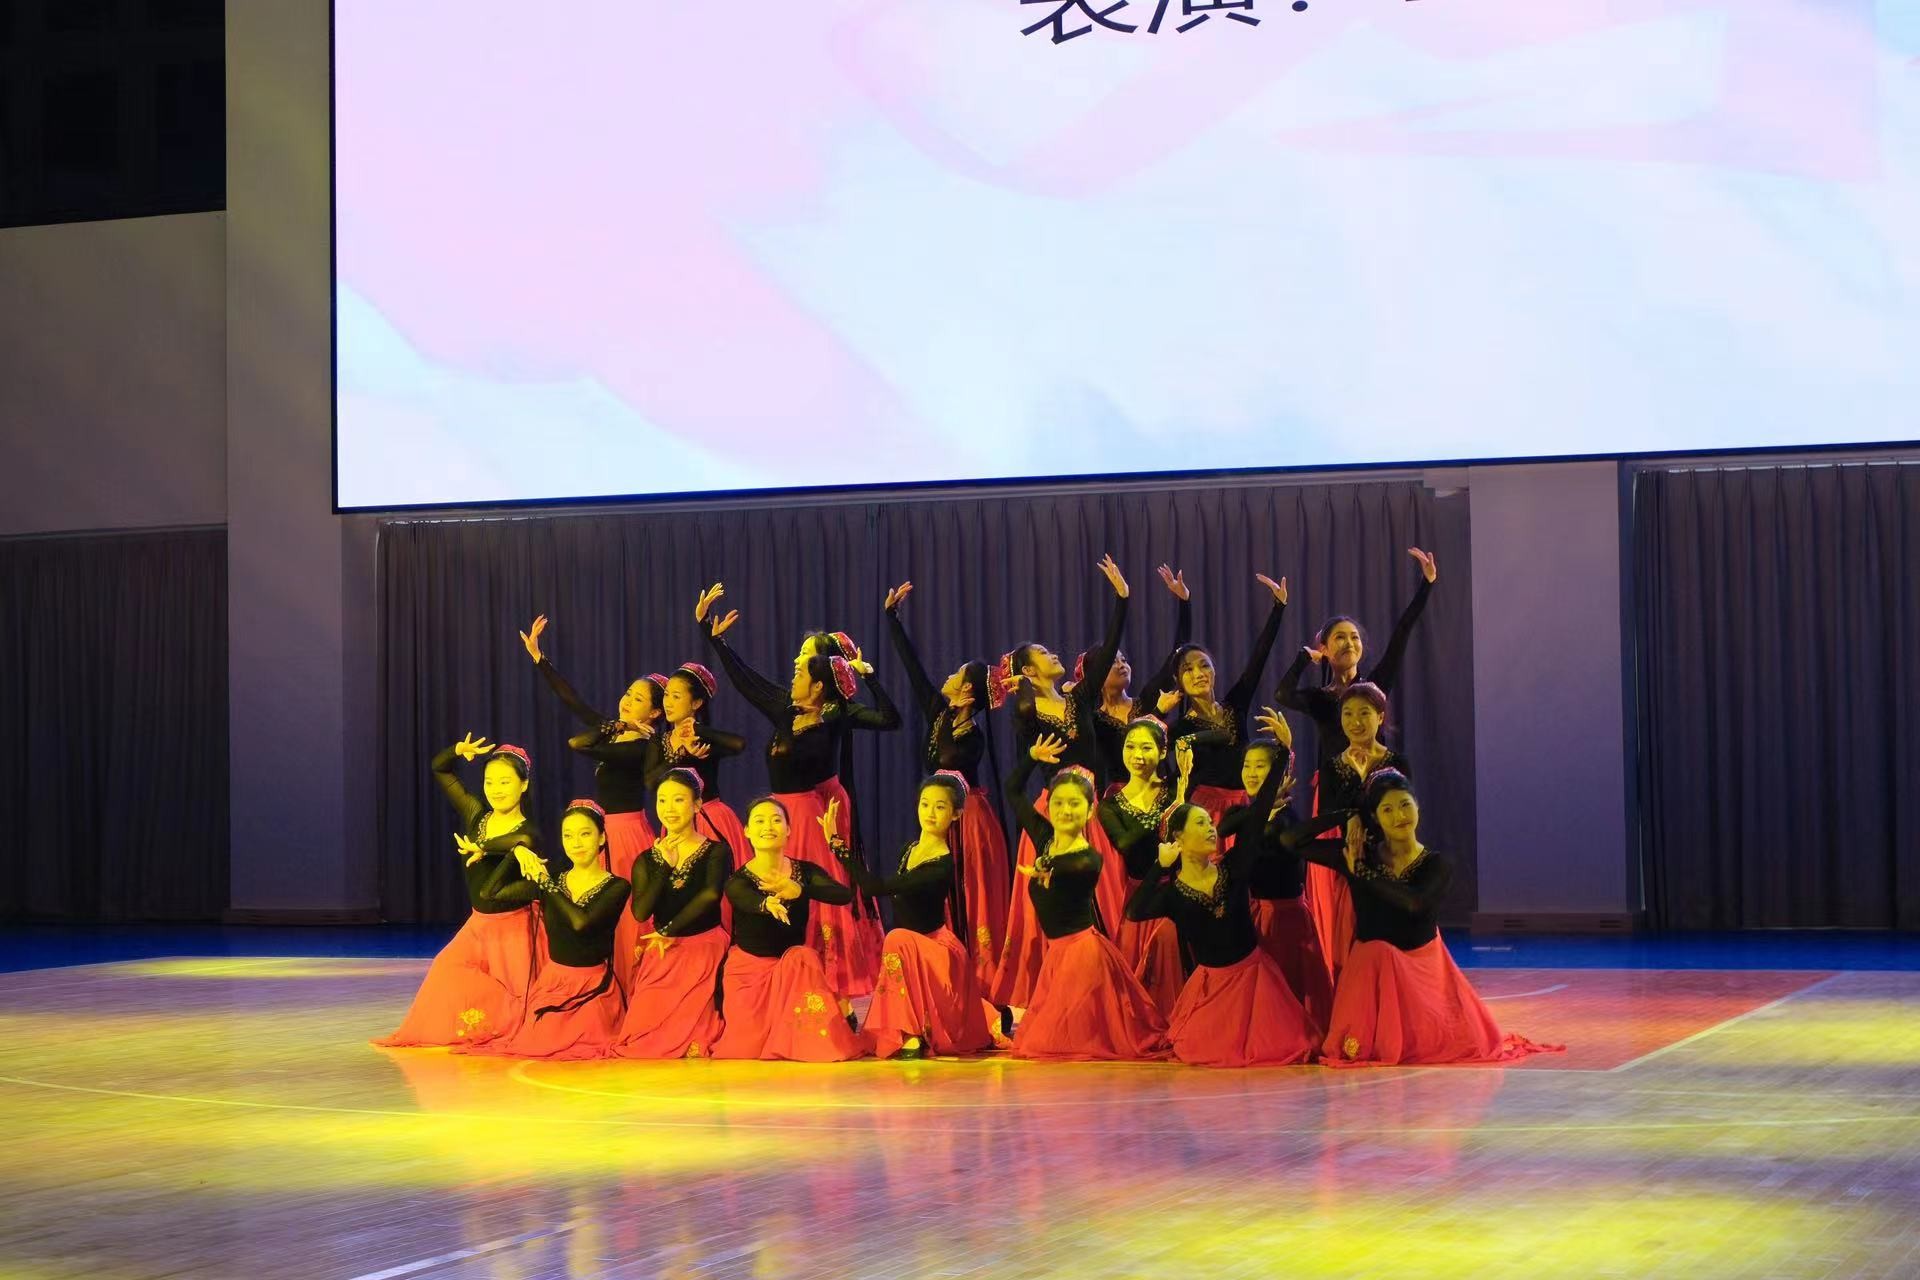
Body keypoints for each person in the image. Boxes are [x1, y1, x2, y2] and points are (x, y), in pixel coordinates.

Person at [698, 583, 899, 1001]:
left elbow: (889, 719)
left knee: (813, 888)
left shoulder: (836, 715)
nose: (793, 669)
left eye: (802, 667)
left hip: (810, 813)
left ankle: (829, 973)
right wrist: (714, 640)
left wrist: (869, 676)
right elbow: (748, 683)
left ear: (820, 684)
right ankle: (786, 963)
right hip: (781, 811)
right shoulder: (785, 708)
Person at [1306, 771, 1562, 1066]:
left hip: (1421, 970)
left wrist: (1362, 872)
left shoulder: (1436, 863)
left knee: (1456, 1042)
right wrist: (1349, 816)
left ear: (1418, 806)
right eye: (1387, 810)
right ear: (1374, 817)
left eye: (1405, 805)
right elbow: (1292, 841)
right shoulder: (1358, 853)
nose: (1399, 816)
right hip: (1371, 971)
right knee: (1376, 954)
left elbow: (1415, 903)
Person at [990, 555, 1131, 1011]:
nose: (1055, 655)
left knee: (1106, 892)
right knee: (1060, 901)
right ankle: (1057, 991)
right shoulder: (1028, 711)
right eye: (1044, 654)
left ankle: (1109, 986)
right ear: (1030, 671)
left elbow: (1106, 653)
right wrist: (1021, 691)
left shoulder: (1081, 697)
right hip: (1059, 811)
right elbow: (1021, 746)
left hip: (1093, 807)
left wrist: (1121, 599)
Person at [1124, 773, 1319, 1067]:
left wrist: (1280, 757)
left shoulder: (1233, 867)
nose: (1211, 829)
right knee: (1198, 1051)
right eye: (1200, 823)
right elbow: (1134, 911)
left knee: (1288, 1047)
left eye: (1210, 823)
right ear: (1179, 836)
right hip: (1212, 990)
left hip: (1255, 984)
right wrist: (1159, 866)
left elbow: (1258, 816)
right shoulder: (1173, 894)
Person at [374, 736, 544, 1048]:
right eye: (489, 782)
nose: (496, 789)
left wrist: (487, 847)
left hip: (514, 930)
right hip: (478, 925)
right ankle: (486, 1026)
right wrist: (457, 751)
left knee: (517, 996)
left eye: (505, 782)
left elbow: (520, 842)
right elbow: (440, 769)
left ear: (523, 785)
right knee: (446, 967)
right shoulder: (476, 814)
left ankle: (505, 1026)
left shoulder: (528, 832)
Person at [1004, 741, 1169, 1061]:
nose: (1065, 811)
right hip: (1058, 954)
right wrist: (1031, 757)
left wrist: (1044, 868)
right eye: (1059, 803)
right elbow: (1013, 790)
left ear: (1090, 810)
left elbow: (1069, 872)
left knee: (1067, 1044)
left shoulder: (1087, 858)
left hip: (1082, 955)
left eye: (1074, 804)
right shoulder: (1044, 837)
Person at [883, 581, 1010, 987]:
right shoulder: (939, 714)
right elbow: (914, 670)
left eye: (957, 674)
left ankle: (974, 970)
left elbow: (953, 775)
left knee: (966, 888)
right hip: (941, 815)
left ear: (967, 689)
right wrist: (892, 618)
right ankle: (940, 962)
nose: (949, 675)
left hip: (966, 818)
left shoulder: (974, 738)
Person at [826, 781, 996, 1059]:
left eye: (940, 807)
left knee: (897, 938)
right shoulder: (910, 849)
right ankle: (908, 1030)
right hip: (910, 951)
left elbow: (875, 887)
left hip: (936, 953)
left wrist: (838, 846)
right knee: (899, 940)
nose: (930, 812)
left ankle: (912, 1032)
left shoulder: (941, 865)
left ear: (956, 814)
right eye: (925, 804)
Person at [459, 798, 631, 1060]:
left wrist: (546, 884)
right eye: (568, 835)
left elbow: (581, 923)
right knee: (540, 1043)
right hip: (553, 985)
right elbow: (490, 892)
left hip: (593, 989)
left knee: (581, 1046)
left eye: (585, 834)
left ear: (601, 838)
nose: (576, 843)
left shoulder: (617, 886)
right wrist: (516, 852)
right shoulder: (554, 879)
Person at [711, 798, 870, 1062]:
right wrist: (766, 904)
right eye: (759, 821)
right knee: (747, 1050)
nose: (768, 826)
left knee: (803, 956)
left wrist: (800, 890)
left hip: (794, 971)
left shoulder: (804, 871)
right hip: (749, 975)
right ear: (747, 831)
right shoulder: (737, 880)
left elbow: (843, 895)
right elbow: (745, 898)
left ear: (788, 829)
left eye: (776, 820)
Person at [1137, 566, 1289, 826]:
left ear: (1214, 671)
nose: (1198, 673)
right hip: (1205, 814)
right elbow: (1144, 741)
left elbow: (1259, 658)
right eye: (1188, 669)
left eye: (1204, 666)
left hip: (1243, 806)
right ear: (1179, 681)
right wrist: (1159, 712)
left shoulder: (1234, 705)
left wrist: (1278, 607)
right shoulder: (1182, 727)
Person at [519, 615, 663, 875]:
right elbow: (573, 701)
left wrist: (618, 726)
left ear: (654, 713)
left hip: (625, 833)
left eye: (638, 699)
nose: (627, 701)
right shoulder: (613, 731)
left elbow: (578, 744)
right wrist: (539, 657)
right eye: (628, 693)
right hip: (604, 829)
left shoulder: (642, 748)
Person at [1217, 732, 1335, 1032]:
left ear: (1280, 773)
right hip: (1253, 913)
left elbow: (1255, 858)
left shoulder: (1284, 821)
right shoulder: (1244, 813)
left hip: (1282, 918)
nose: (1251, 773)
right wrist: (1262, 804)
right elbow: (1224, 828)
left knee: (1284, 993)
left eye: (1261, 766)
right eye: (1247, 765)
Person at [610, 769, 729, 1059]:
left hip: (705, 947)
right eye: (662, 800)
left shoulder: (716, 851)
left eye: (678, 800)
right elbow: (641, 912)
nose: (669, 808)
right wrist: (664, 866)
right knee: (639, 1038)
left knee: (697, 1039)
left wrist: (668, 930)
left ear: (697, 805)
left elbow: (710, 896)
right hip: (663, 951)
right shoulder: (646, 859)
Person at [1304, 681, 1412, 978]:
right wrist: (1351, 816)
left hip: (1391, 864)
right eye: (1348, 714)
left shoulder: (1396, 762)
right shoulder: (1332, 766)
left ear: (1380, 717)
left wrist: (1363, 791)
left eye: (1364, 713)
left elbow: (1405, 812)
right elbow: (1327, 815)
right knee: (1352, 946)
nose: (1355, 721)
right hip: (1353, 864)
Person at [1095, 716, 1191, 1018]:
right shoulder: (1110, 805)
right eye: (1130, 746)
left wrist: (1178, 794)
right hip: (1140, 898)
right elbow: (1126, 843)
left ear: (1162, 752)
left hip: (1175, 895)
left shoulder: (1175, 789)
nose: (1137, 755)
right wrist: (1168, 809)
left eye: (1146, 747)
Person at [645, 662, 750, 866]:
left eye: (676, 696)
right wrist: (681, 754)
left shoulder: (703, 738)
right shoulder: (658, 741)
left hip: (711, 818)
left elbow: (739, 744)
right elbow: (650, 782)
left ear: (696, 703)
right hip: (676, 821)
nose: (668, 702)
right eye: (666, 695)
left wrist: (699, 730)